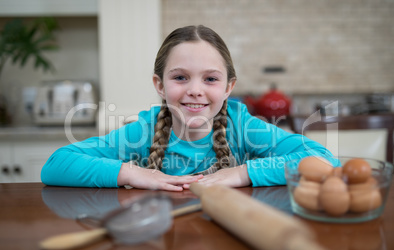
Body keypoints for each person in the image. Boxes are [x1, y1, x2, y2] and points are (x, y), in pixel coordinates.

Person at [41, 25, 334, 191]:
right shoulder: (145, 130)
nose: (195, 89)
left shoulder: (241, 125)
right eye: (181, 77)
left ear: (229, 87)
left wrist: (245, 173)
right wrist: (132, 173)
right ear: (160, 85)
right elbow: (56, 164)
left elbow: (322, 158)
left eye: (210, 79)